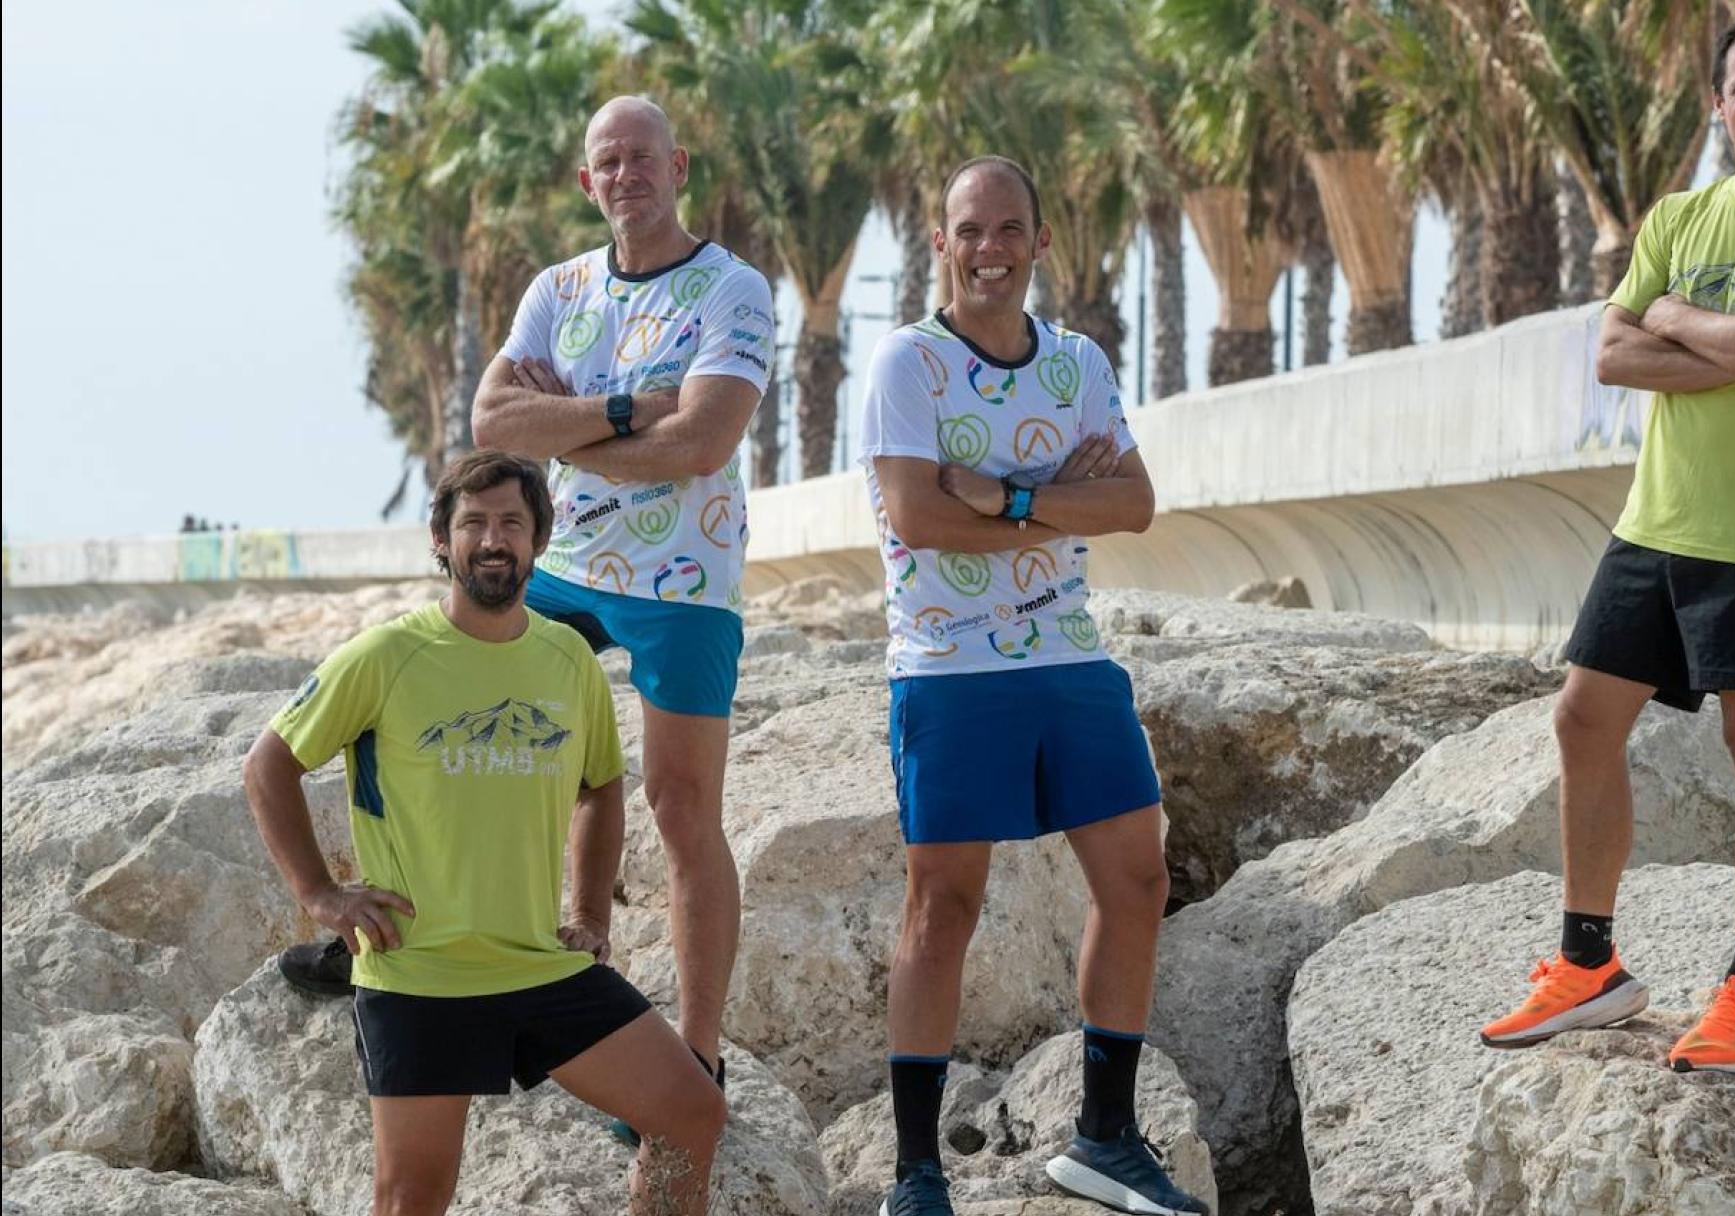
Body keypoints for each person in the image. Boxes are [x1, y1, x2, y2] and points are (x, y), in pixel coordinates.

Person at [277, 97, 775, 1097]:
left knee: (681, 807)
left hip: (687, 580)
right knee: (445, 721)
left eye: (643, 157)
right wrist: (633, 409)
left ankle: (698, 1049)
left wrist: (570, 429)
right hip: (563, 563)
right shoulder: (561, 288)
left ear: (677, 167)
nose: (626, 174)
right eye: (607, 162)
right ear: (587, 183)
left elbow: (705, 444)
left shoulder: (735, 289)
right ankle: (386, 928)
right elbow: (493, 419)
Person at [1479, 12, 1735, 1074]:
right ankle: (1590, 966)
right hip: (1655, 521)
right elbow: (1613, 354)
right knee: (1581, 718)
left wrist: (1680, 318)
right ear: (1717, 102)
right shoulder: (1677, 217)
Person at [242, 451, 723, 1215]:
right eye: (474, 524)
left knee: (693, 1113)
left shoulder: (568, 658)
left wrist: (593, 916)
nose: (492, 540)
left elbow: (600, 786)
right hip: (421, 975)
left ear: (539, 541)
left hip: (540, 967)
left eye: (511, 523)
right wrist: (320, 895)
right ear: (442, 541)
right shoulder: (385, 656)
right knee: (412, 1199)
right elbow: (269, 766)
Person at [859, 155, 1206, 1216]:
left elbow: (1137, 503)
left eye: (1010, 229)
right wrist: (1064, 498)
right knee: (944, 904)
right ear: (941, 243)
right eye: (971, 231)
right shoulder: (908, 365)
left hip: (1067, 651)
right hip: (949, 663)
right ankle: (916, 1174)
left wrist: (1008, 498)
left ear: (1040, 242)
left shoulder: (1078, 364)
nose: (990, 250)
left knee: (1137, 879)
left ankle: (1105, 1137)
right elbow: (915, 517)